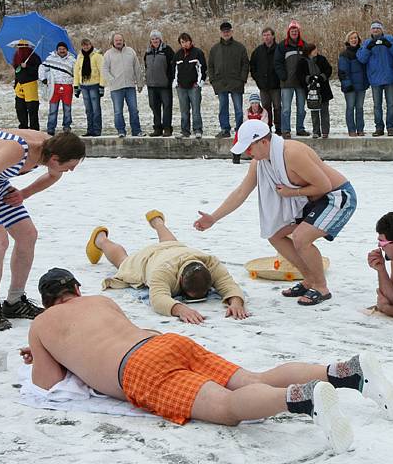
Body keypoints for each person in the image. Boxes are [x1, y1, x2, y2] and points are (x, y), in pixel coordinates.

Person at [22, 268, 393, 454]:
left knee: (228, 407)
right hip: (164, 343)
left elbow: (47, 383)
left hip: (137, 371)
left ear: (46, 301)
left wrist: (42, 351)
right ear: (76, 290)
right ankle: (345, 373)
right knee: (253, 378)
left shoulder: (42, 323)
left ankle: (303, 397)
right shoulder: (100, 302)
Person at [194, 120, 357, 306]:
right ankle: (309, 279)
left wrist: (291, 193)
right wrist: (213, 218)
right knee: (275, 234)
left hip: (338, 196)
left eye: (249, 148)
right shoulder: (259, 162)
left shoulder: (292, 153)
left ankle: (321, 287)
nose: (248, 154)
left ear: (263, 142)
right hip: (312, 199)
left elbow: (324, 185)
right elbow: (241, 193)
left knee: (301, 238)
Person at [0, 131, 85, 331]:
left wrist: (23, 194)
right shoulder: (18, 150)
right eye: (69, 167)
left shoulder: (52, 147)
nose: (70, 171)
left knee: (28, 236)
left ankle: (15, 301)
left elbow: (53, 176)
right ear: (55, 159)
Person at [85, 210, 248, 323]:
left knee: (171, 243)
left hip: (174, 249)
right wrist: (180, 309)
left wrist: (236, 302)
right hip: (147, 260)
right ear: (180, 279)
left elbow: (228, 284)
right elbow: (157, 299)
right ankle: (101, 240)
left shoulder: (211, 263)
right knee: (123, 261)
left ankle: (157, 221)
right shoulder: (162, 273)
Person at [356, 21, 393, 136]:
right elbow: (361, 59)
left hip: (389, 77)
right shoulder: (367, 42)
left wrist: (389, 45)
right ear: (370, 30)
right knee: (377, 105)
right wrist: (368, 48)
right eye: (373, 28)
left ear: (382, 30)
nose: (375, 30)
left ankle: (390, 127)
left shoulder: (390, 38)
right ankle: (379, 127)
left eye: (378, 28)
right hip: (375, 79)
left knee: (391, 104)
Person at [209, 22, 249, 139]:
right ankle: (225, 129)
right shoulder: (215, 49)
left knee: (238, 108)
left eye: (228, 31)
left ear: (231, 32)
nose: (226, 33)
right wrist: (213, 80)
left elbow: (245, 64)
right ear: (220, 33)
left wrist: (242, 79)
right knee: (223, 107)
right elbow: (210, 65)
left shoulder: (240, 47)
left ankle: (240, 130)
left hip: (236, 82)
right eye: (224, 31)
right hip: (221, 83)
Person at [102, 33, 145, 137]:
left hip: (130, 86)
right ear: (113, 42)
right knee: (118, 111)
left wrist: (140, 82)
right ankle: (121, 131)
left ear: (123, 40)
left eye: (120, 40)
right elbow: (104, 70)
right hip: (116, 88)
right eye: (116, 40)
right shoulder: (108, 54)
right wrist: (112, 80)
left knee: (134, 110)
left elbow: (137, 68)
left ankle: (136, 131)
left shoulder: (130, 51)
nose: (118, 42)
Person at [274, 20, 310, 138]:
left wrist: (306, 78)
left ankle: (300, 128)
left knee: (301, 108)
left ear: (299, 32)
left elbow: (309, 62)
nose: (294, 32)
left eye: (296, 30)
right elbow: (277, 63)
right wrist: (282, 76)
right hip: (287, 82)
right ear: (288, 32)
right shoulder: (282, 45)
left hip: (300, 83)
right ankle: (286, 130)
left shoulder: (304, 45)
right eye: (292, 30)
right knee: (286, 109)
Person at [172, 32, 207, 139]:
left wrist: (200, 82)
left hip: (194, 87)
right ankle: (185, 131)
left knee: (196, 109)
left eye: (186, 41)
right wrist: (175, 83)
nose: (185, 44)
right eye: (182, 42)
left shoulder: (198, 53)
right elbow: (174, 70)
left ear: (190, 41)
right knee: (184, 111)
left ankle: (197, 130)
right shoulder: (177, 54)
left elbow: (203, 68)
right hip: (181, 87)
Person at [39, 42, 76, 136]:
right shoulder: (50, 58)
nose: (62, 51)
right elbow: (42, 68)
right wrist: (43, 79)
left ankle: (67, 127)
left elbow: (76, 72)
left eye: (64, 49)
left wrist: (77, 84)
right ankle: (51, 129)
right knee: (53, 109)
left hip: (67, 86)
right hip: (54, 87)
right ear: (57, 50)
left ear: (67, 50)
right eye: (60, 49)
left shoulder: (72, 60)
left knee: (67, 109)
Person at [249, 27, 281, 134]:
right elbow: (252, 67)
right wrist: (258, 79)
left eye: (268, 35)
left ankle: (279, 127)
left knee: (277, 107)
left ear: (273, 36)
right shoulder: (258, 51)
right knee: (266, 107)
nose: (266, 37)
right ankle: (267, 127)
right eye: (264, 35)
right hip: (263, 85)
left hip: (276, 85)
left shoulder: (279, 49)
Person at [298, 43, 333, 139]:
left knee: (325, 111)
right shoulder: (302, 61)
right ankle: (316, 131)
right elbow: (300, 75)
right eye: (314, 50)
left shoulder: (321, 59)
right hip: (311, 91)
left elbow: (328, 69)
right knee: (314, 111)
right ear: (309, 51)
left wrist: (321, 77)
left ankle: (325, 131)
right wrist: (309, 79)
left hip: (323, 89)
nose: (316, 51)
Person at [144, 30, 175, 137]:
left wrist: (170, 80)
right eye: (153, 39)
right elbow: (146, 66)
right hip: (151, 85)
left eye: (156, 38)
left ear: (160, 39)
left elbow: (173, 66)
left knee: (167, 107)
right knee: (154, 106)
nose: (155, 40)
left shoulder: (167, 50)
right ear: (150, 40)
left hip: (164, 85)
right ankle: (157, 128)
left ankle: (167, 128)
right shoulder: (147, 51)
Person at [338, 31, 369, 137]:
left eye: (355, 38)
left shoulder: (362, 52)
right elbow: (342, 71)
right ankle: (351, 129)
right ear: (348, 40)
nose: (354, 40)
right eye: (351, 38)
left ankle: (360, 129)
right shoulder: (344, 54)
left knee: (360, 107)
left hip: (361, 85)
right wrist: (347, 84)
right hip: (350, 86)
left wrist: (366, 82)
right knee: (350, 107)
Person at [73, 38, 105, 137]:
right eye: (84, 45)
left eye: (87, 45)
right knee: (88, 110)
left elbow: (102, 71)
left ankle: (97, 130)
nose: (86, 47)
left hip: (94, 85)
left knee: (96, 109)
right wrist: (76, 86)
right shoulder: (80, 57)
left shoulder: (97, 56)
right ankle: (89, 129)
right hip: (84, 86)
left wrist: (101, 85)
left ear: (91, 45)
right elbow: (77, 72)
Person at [12, 40, 41, 131]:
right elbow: (17, 70)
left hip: (30, 85)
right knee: (20, 108)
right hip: (19, 86)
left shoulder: (34, 57)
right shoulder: (16, 56)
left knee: (32, 108)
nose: (20, 48)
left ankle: (34, 129)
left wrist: (27, 67)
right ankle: (23, 126)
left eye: (22, 46)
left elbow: (38, 71)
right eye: (19, 46)